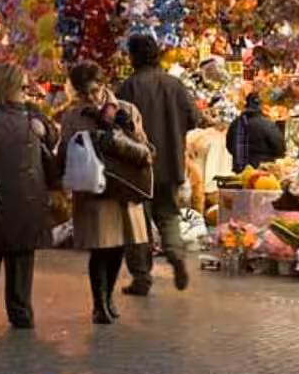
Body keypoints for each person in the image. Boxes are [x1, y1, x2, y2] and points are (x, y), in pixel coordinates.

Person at [59, 61, 153, 325]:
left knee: (118, 247)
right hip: (93, 189)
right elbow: (65, 151)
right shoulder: (73, 116)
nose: (92, 98)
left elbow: (144, 149)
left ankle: (108, 296)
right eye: (85, 93)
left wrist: (121, 135)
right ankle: (99, 303)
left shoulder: (126, 110)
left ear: (104, 86)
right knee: (100, 248)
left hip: (124, 186)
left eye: (95, 90)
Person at [0, 61, 58, 330]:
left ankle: (20, 311)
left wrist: (45, 131)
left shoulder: (31, 111)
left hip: (27, 195)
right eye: (21, 86)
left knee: (21, 257)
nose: (25, 91)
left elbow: (52, 138)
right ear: (6, 85)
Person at [114, 33, 204, 295]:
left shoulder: (129, 87)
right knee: (168, 214)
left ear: (134, 57)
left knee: (136, 223)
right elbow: (194, 118)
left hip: (138, 166)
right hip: (170, 163)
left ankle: (141, 277)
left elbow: (118, 124)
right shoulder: (175, 85)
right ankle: (175, 254)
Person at [226, 92, 285, 171]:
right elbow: (279, 146)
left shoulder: (236, 123)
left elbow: (229, 145)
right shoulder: (267, 124)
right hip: (262, 169)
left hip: (240, 168)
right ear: (260, 106)